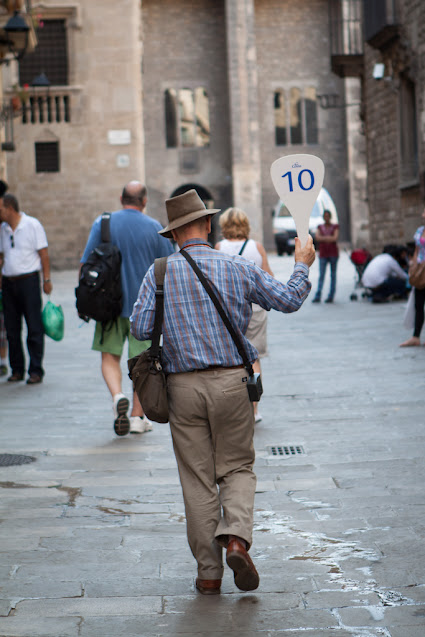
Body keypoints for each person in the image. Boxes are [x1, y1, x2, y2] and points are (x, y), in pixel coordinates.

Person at [130, 189, 315, 595]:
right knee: (236, 467)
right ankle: (235, 539)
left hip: (181, 387)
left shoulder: (158, 272)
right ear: (208, 224)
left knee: (197, 479)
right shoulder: (236, 267)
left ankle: (208, 576)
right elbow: (288, 300)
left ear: (173, 235)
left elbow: (141, 329)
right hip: (233, 383)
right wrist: (301, 264)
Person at [80, 181, 173, 437]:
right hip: (145, 310)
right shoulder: (156, 228)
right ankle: (136, 417)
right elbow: (169, 268)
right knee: (142, 364)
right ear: (144, 201)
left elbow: (86, 263)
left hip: (108, 306)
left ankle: (117, 395)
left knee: (109, 356)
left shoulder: (103, 224)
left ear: (121, 199)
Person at [215, 207, 273, 423]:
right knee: (254, 358)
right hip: (255, 310)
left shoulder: (219, 248)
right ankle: (254, 410)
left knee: (232, 359)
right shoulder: (256, 247)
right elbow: (269, 278)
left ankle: (234, 409)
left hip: (229, 310)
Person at [0, 193, 52, 384]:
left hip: (29, 281)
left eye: (0, 209)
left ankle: (36, 370)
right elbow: (2, 256)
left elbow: (43, 254)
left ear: (10, 208)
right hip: (8, 283)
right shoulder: (3, 229)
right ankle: (17, 369)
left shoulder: (32, 225)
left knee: (34, 326)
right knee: (11, 329)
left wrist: (46, 279)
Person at [400, 207, 425, 347]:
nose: (422, 214)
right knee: (418, 304)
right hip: (420, 271)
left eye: (424, 212)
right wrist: (414, 264)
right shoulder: (420, 231)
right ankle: (416, 337)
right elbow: (417, 249)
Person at [312, 209, 339, 303]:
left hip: (333, 253)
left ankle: (331, 295)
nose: (326, 218)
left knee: (333, 275)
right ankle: (318, 294)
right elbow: (317, 237)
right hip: (323, 253)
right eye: (325, 216)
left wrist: (324, 238)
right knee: (322, 275)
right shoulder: (320, 227)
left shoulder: (334, 226)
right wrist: (328, 238)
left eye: (328, 216)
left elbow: (335, 238)